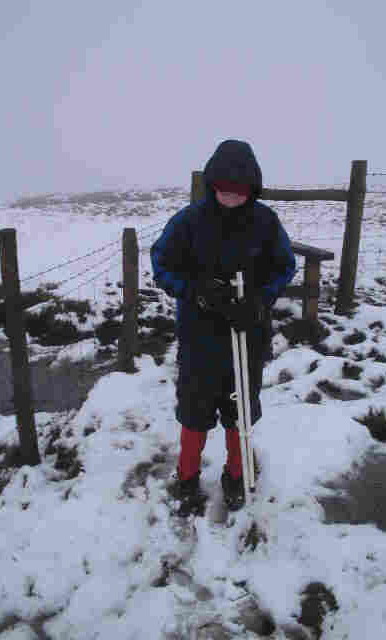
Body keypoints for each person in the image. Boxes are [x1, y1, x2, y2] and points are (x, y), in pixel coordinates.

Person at [151, 139, 296, 514]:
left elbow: (284, 266)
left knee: (241, 407)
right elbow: (162, 263)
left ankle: (237, 473)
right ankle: (186, 477)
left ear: (252, 188)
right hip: (200, 336)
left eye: (240, 190)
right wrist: (195, 291)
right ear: (212, 183)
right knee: (195, 408)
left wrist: (260, 299)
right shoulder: (189, 222)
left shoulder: (265, 222)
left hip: (248, 332)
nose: (231, 196)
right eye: (224, 188)